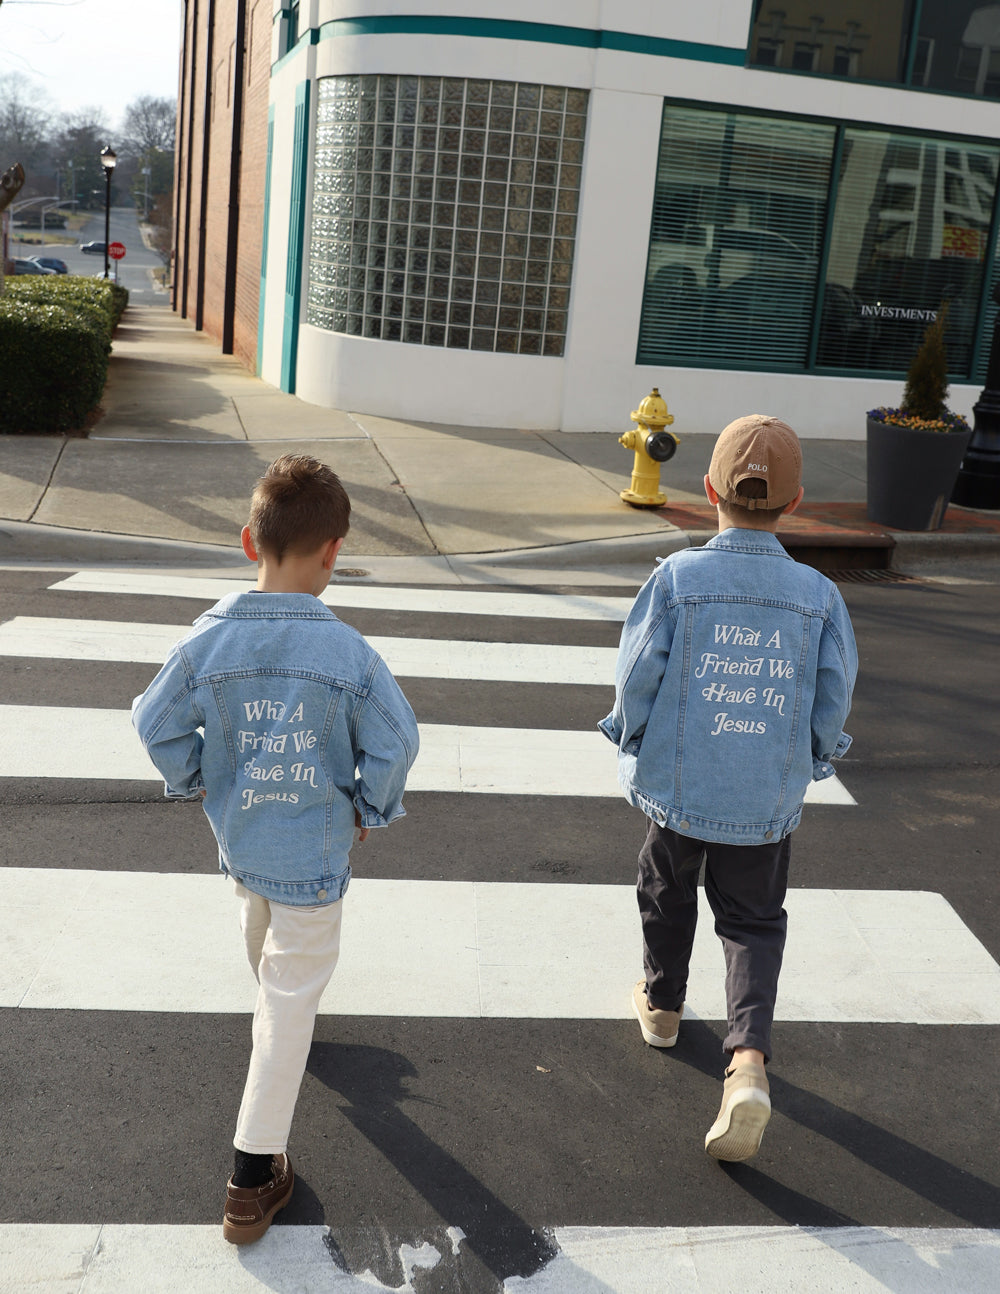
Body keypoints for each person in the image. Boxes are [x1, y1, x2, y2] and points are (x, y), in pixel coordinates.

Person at [132, 454, 419, 1242]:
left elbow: (152, 721)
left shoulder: (207, 643)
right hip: (314, 851)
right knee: (291, 996)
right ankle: (252, 1175)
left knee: (257, 924)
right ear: (333, 552)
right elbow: (397, 741)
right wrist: (369, 804)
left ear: (248, 540)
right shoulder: (350, 656)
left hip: (244, 834)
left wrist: (195, 777)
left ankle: (275, 1018)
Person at [599, 415, 857, 1162]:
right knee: (752, 920)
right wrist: (815, 755)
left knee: (665, 886)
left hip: (681, 785)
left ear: (709, 490)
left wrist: (630, 734)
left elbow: (638, 672)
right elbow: (833, 693)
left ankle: (663, 1004)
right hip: (762, 799)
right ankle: (747, 1062)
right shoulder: (818, 595)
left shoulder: (678, 579)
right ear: (796, 501)